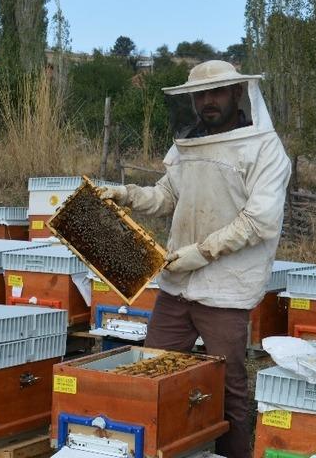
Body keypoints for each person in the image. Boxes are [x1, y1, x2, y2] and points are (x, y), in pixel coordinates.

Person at [99, 60, 291, 458]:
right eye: (200, 95)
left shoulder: (264, 149)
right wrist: (129, 195)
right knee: (151, 372)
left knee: (228, 386)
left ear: (237, 92)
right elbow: (167, 195)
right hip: (176, 286)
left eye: (216, 92)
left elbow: (259, 221)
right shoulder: (188, 144)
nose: (208, 101)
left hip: (226, 289)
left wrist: (202, 253)